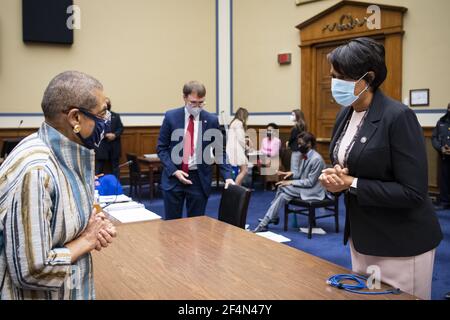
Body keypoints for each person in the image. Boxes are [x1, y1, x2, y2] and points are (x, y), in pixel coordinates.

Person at [319, 38, 442, 300]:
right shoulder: (346, 113)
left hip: (400, 242)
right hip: (363, 239)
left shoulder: (398, 117)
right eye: (332, 76)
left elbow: (413, 192)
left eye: (341, 77)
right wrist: (334, 178)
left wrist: (350, 183)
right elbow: (349, 164)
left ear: (368, 78)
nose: (334, 83)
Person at [0, 71, 117, 300]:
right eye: (102, 112)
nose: (107, 119)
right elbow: (32, 270)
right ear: (75, 118)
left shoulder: (62, 152)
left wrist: (90, 224)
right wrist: (87, 240)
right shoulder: (36, 171)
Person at [157, 81, 234, 220]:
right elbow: (161, 148)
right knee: (172, 226)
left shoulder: (210, 120)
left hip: (198, 179)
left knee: (197, 226)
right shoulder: (171, 117)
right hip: (174, 177)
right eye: (193, 102)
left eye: (201, 103)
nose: (197, 107)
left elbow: (219, 151)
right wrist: (174, 171)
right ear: (184, 98)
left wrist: (228, 176)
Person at [253, 132, 326, 233]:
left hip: (314, 190)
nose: (299, 146)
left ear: (309, 144)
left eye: (301, 144)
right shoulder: (305, 155)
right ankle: (268, 221)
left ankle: (268, 220)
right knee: (283, 193)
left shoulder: (316, 159)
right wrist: (288, 173)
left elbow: (310, 182)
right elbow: (299, 174)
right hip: (305, 187)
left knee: (282, 187)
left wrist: (291, 182)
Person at [95, 98, 124, 178]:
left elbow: (120, 128)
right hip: (102, 146)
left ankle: (116, 187)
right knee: (99, 168)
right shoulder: (97, 116)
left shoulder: (116, 116)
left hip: (114, 146)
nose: (107, 106)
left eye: (108, 104)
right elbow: (95, 129)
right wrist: (105, 135)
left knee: (115, 168)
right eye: (105, 104)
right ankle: (97, 187)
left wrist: (114, 135)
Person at [431, 103, 450, 210]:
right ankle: (445, 201)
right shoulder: (441, 122)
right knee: (445, 179)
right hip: (444, 157)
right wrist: (441, 148)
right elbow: (434, 138)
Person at [226, 107, 249, 185]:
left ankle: (237, 187)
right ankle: (236, 189)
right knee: (244, 170)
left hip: (232, 149)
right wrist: (246, 146)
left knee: (241, 170)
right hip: (237, 150)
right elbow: (240, 138)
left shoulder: (233, 122)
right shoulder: (239, 123)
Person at [260, 123, 282, 190]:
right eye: (268, 130)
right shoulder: (264, 140)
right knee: (266, 162)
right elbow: (261, 150)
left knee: (271, 163)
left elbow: (273, 153)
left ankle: (273, 183)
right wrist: (267, 152)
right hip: (265, 158)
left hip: (275, 158)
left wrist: (265, 151)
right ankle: (270, 183)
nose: (269, 131)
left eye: (271, 130)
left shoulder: (277, 141)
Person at [287, 109, 307, 181]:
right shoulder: (303, 126)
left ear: (297, 116)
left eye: (293, 115)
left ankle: (295, 184)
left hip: (296, 150)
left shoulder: (296, 127)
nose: (291, 117)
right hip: (301, 149)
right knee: (299, 168)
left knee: (294, 168)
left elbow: (292, 138)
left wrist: (288, 143)